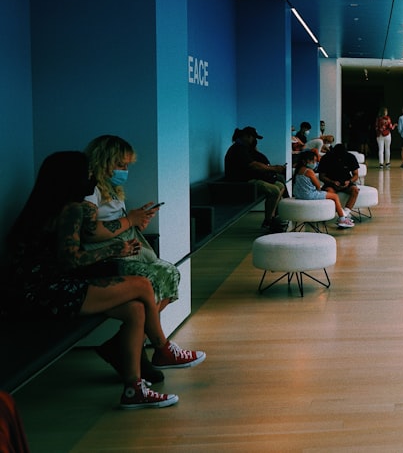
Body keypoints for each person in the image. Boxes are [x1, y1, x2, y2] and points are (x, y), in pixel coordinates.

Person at [1, 151, 204, 409]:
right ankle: (163, 350)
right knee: (142, 285)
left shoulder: (41, 207)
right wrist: (114, 250)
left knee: (136, 309)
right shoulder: (72, 210)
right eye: (87, 173)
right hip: (44, 293)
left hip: (31, 292)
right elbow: (70, 260)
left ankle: (133, 389)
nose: (92, 177)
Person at [82, 135, 181, 383]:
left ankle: (123, 345)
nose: (125, 170)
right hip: (107, 253)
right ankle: (155, 347)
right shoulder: (89, 189)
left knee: (170, 273)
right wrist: (130, 221)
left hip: (125, 243)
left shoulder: (112, 189)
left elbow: (119, 223)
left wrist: (139, 221)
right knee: (149, 280)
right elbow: (90, 231)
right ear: (103, 160)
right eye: (120, 165)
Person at [224, 126, 288, 232]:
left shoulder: (244, 148)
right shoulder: (238, 149)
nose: (254, 141)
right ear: (246, 136)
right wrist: (274, 168)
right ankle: (268, 222)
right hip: (241, 182)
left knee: (280, 186)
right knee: (274, 190)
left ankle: (271, 217)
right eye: (253, 138)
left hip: (248, 179)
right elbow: (254, 165)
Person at [292, 151, 354, 229]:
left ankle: (342, 215)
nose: (314, 163)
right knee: (334, 196)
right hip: (309, 194)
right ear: (305, 161)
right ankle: (342, 218)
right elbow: (317, 185)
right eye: (313, 161)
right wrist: (319, 189)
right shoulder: (309, 171)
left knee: (329, 192)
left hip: (299, 194)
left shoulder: (298, 170)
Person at [318, 143, 361, 217]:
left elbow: (356, 175)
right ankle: (340, 213)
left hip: (346, 181)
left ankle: (345, 213)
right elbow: (321, 176)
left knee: (355, 190)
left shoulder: (350, 157)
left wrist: (349, 182)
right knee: (330, 192)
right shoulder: (326, 158)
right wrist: (332, 182)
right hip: (330, 182)